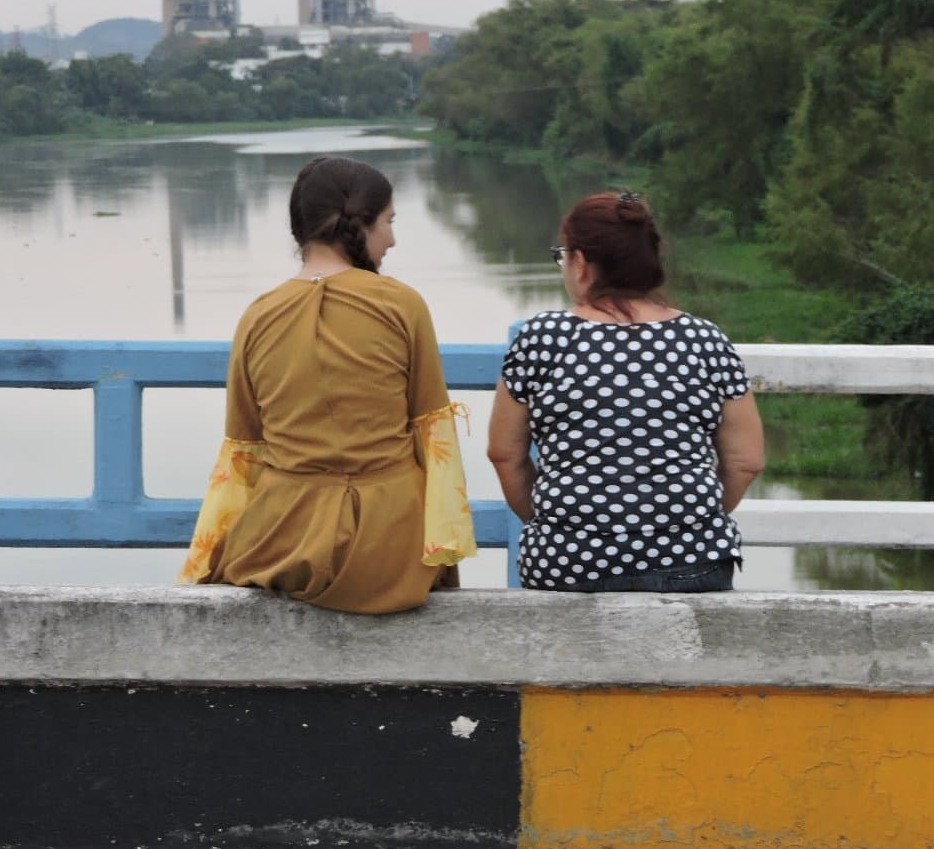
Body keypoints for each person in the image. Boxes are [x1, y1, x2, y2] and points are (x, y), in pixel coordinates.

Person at [177, 156, 474, 613]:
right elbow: (432, 436)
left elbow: (244, 450)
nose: (392, 239)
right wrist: (440, 561)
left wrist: (207, 558)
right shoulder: (401, 304)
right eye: (389, 221)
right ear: (363, 223)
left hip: (279, 546)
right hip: (390, 554)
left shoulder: (258, 314)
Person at [487, 191, 764, 592]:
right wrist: (689, 524)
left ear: (581, 264)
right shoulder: (705, 339)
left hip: (567, 564)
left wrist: (556, 525)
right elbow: (746, 461)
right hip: (694, 565)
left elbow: (504, 453)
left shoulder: (541, 337)